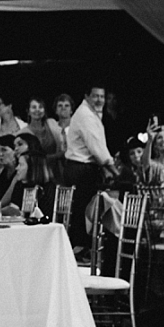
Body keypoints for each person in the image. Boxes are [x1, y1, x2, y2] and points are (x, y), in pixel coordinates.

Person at [64, 84, 118, 252]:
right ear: (87, 96)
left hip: (83, 168)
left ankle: (82, 246)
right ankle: (80, 248)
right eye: (95, 96)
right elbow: (96, 147)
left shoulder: (91, 114)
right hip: (81, 169)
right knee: (81, 210)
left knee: (82, 209)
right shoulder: (85, 115)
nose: (99, 100)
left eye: (102, 96)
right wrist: (114, 170)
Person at [12, 131, 56, 217]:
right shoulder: (19, 186)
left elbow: (45, 216)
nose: (17, 168)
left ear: (32, 167)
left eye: (20, 165)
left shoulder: (48, 189)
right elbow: (13, 209)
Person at [0, 134, 18, 204]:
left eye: (4, 150)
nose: (0, 154)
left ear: (15, 151)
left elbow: (4, 201)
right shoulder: (0, 172)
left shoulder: (19, 172)